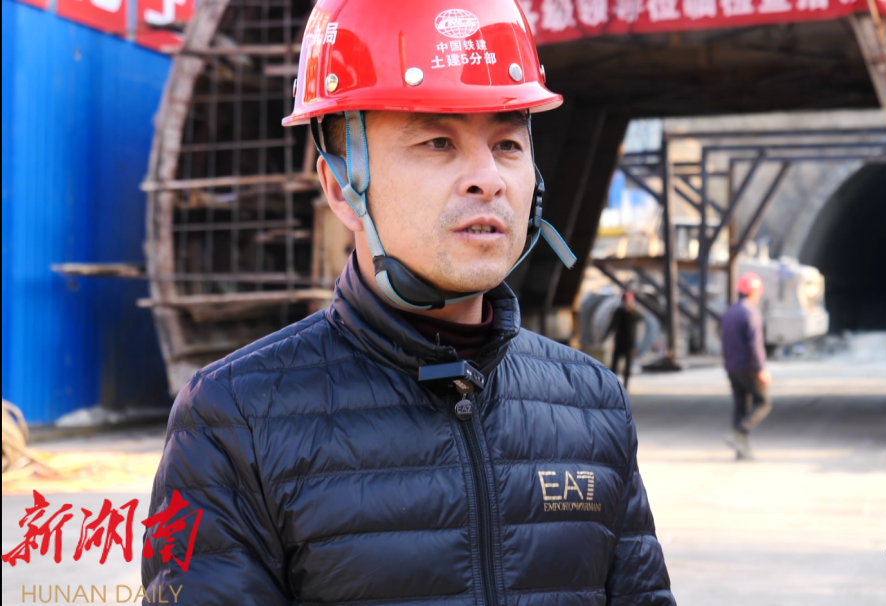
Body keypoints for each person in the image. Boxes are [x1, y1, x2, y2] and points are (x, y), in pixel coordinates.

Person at [141, 1, 674, 604]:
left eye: (507, 144)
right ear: (341, 186)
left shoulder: (592, 404)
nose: (488, 179)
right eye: (438, 142)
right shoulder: (234, 420)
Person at [721, 273, 772, 461]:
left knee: (740, 407)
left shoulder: (730, 312)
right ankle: (739, 433)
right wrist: (760, 368)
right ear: (753, 291)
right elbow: (755, 344)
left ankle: (740, 451)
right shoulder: (751, 313)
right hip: (748, 367)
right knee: (763, 403)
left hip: (732, 367)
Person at [605, 290, 644, 389]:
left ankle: (625, 386)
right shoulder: (618, 311)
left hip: (630, 343)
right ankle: (613, 385)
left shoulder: (633, 312)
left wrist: (631, 310)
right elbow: (612, 325)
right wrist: (605, 337)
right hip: (619, 341)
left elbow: (640, 319)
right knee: (614, 365)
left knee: (628, 366)